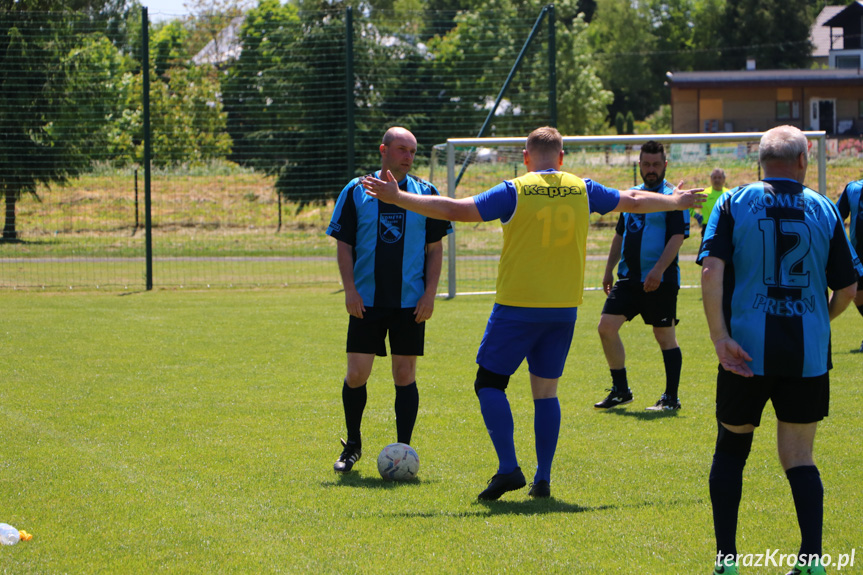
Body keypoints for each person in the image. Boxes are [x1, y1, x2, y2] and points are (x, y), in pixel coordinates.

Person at [362, 127, 704, 500]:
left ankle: (509, 468)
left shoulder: (516, 189)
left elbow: (455, 209)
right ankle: (543, 478)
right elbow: (634, 200)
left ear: (526, 157)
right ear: (561, 158)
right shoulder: (582, 187)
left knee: (489, 383)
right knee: (546, 393)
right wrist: (675, 202)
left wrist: (398, 197)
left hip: (518, 307)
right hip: (562, 309)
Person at [697, 125, 861, 575]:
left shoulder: (733, 201)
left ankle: (727, 561)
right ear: (804, 163)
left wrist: (719, 338)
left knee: (732, 450)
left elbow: (711, 272)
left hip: (743, 352)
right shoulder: (825, 207)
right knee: (800, 457)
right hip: (806, 356)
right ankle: (811, 561)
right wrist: (818, 323)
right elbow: (848, 288)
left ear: (759, 163)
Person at [325, 127, 453, 473]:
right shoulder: (356, 191)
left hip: (410, 303)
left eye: (412, 151)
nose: (408, 157)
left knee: (404, 375)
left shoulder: (426, 194)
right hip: (366, 301)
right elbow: (344, 244)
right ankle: (353, 445)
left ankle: (404, 450)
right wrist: (350, 289)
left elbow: (435, 249)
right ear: (384, 150)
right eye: (401, 150)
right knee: (356, 374)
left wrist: (429, 294)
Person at [593, 140, 690, 412]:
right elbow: (620, 234)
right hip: (628, 279)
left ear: (665, 165)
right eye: (646, 164)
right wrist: (608, 268)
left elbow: (677, 237)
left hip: (661, 279)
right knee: (606, 328)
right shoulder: (631, 196)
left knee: (664, 336)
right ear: (639, 164)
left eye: (656, 164)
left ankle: (671, 398)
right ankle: (621, 390)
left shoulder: (674, 197)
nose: (651, 169)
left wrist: (658, 271)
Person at [836, 177, 863, 352]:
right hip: (859, 260)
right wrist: (846, 249)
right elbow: (836, 217)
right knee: (857, 295)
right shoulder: (853, 189)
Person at [691, 168, 730, 236]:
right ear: (711, 179)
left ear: (724, 179)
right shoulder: (704, 194)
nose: (717, 180)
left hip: (725, 227)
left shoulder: (729, 194)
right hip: (708, 228)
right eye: (714, 178)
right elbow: (689, 206)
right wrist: (697, 216)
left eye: (719, 177)